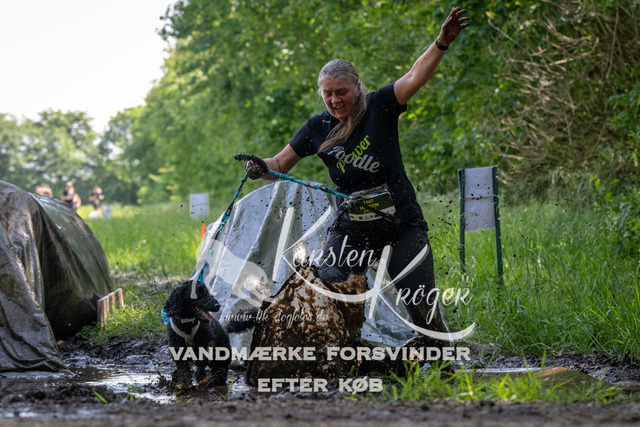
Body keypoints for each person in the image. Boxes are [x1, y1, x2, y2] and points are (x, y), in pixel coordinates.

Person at [247, 8, 470, 361]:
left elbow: (415, 75)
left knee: (421, 307)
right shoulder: (317, 127)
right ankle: (347, 356)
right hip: (352, 230)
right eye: (328, 94)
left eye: (342, 92)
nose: (335, 100)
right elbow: (280, 164)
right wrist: (260, 167)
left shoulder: (381, 106)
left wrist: (441, 42)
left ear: (358, 87)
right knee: (327, 288)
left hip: (401, 225)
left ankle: (442, 362)